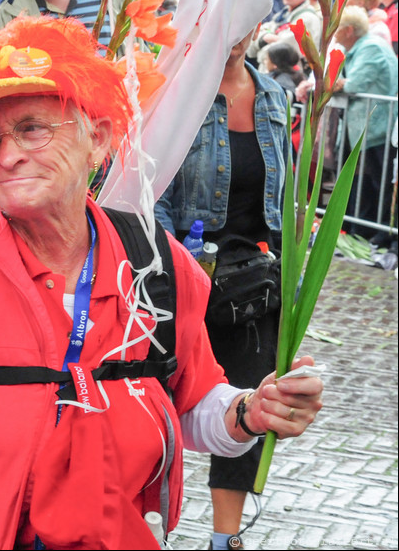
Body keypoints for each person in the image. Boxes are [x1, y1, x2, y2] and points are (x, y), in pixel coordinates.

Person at [0, 16, 325, 549]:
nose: (7, 155)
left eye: (32, 128)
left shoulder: (157, 265)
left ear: (97, 140)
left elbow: (191, 403)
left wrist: (250, 412)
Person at [155, 27, 292, 550]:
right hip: (188, 274)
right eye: (221, 20)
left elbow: (284, 193)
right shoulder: (177, 90)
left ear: (256, 27)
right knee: (163, 400)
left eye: (241, 23)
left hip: (253, 282)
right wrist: (178, 263)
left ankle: (223, 539)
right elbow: (157, 185)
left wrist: (291, 268)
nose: (230, 35)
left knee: (250, 403)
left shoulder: (274, 96)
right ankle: (147, 521)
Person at [315, 7, 398, 243]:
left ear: (349, 30)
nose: (332, 32)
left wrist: (333, 84)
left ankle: (379, 231)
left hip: (376, 126)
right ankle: (359, 228)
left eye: (337, 27)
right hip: (365, 125)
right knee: (365, 180)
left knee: (378, 182)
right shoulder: (356, 47)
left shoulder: (370, 47)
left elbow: (353, 83)